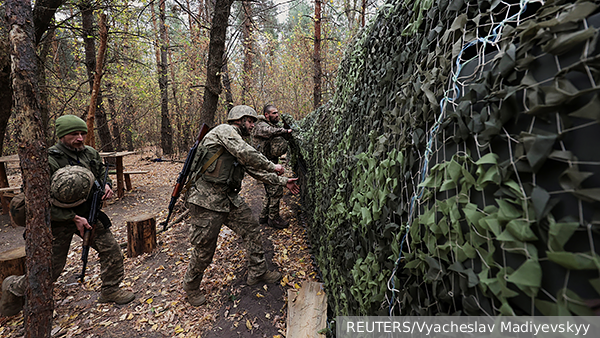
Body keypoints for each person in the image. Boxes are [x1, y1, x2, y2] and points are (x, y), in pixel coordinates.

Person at [0, 115, 135, 317]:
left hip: (88, 213)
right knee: (51, 270)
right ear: (62, 136)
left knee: (112, 250)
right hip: (57, 220)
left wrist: (107, 185)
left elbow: (101, 175)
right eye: (74, 134)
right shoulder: (48, 159)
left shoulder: (90, 153)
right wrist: (71, 217)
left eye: (82, 134)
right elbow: (35, 202)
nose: (80, 138)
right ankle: (13, 287)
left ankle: (110, 289)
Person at [183, 105, 300, 306]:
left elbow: (253, 169)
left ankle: (257, 271)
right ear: (239, 119)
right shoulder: (225, 132)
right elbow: (246, 153)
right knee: (204, 250)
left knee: (252, 229)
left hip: (228, 198)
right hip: (206, 201)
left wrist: (283, 181)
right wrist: (273, 165)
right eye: (250, 121)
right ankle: (191, 287)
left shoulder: (237, 140)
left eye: (254, 121)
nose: (253, 125)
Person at [252, 104, 293, 229]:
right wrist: (286, 131)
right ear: (267, 115)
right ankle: (274, 219)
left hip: (269, 162)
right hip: (264, 164)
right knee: (275, 189)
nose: (277, 115)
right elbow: (269, 132)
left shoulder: (271, 125)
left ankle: (264, 216)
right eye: (274, 113)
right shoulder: (260, 125)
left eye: (277, 112)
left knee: (270, 191)